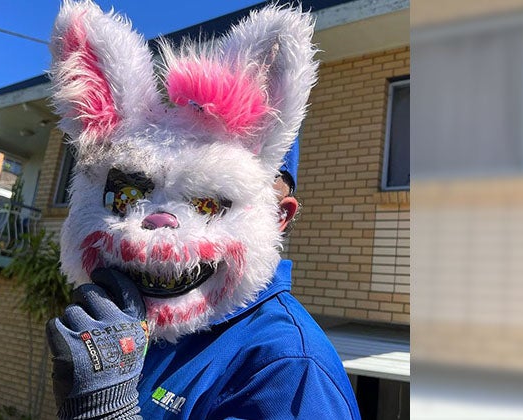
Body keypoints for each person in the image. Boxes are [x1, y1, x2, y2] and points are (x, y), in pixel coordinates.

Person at [44, 1, 360, 418]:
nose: (158, 224)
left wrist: (106, 412)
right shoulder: (140, 325)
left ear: (279, 216)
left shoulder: (288, 367)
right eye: (127, 195)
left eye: (208, 203)